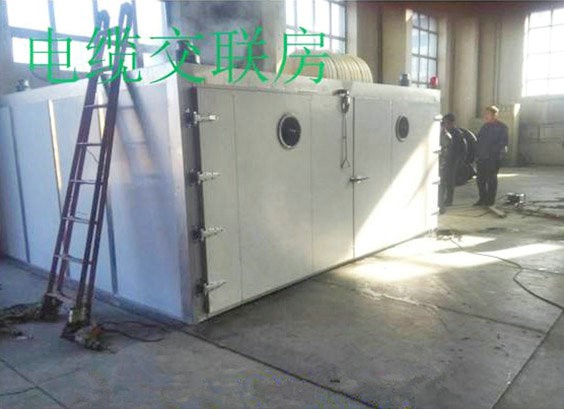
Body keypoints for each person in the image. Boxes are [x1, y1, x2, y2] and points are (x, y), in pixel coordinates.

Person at [474, 105, 508, 206]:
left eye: (487, 114)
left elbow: (503, 143)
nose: (485, 116)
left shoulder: (502, 127)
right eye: (485, 114)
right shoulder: (485, 126)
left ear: (495, 115)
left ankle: (490, 200)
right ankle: (482, 199)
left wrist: (490, 152)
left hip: (493, 158)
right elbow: (479, 140)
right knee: (480, 179)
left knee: (491, 179)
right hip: (482, 157)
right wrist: (478, 153)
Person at [438, 113, 466, 213]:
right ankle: (442, 200)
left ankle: (449, 200)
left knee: (449, 181)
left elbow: (462, 149)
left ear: (451, 122)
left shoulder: (457, 133)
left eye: (447, 122)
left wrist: (460, 161)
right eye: (444, 122)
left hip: (452, 161)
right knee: (442, 181)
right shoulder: (444, 132)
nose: (445, 124)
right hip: (444, 161)